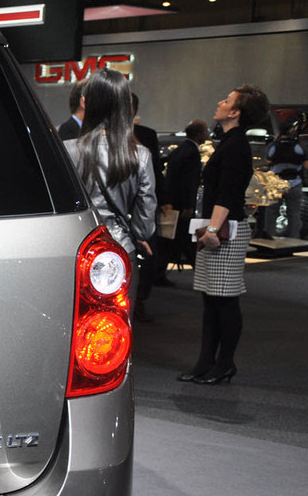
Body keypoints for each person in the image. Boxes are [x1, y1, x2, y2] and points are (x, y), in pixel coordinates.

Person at [178, 84, 270, 385]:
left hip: (225, 230)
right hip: (217, 228)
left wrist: (213, 230)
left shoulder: (236, 145)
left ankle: (224, 363)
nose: (220, 102)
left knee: (224, 300)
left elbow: (228, 195)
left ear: (235, 112)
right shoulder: (229, 142)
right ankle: (206, 362)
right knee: (212, 300)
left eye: (227, 100)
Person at [63, 68, 156, 299]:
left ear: (86, 102)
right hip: (120, 250)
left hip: (77, 251)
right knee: (119, 319)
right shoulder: (140, 155)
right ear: (125, 106)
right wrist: (136, 234)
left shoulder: (66, 150)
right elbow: (145, 226)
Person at [159, 119, 210, 272]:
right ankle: (199, 268)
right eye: (205, 131)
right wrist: (188, 205)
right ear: (199, 134)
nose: (207, 135)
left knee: (171, 238)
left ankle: (161, 271)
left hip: (173, 201)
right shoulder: (192, 153)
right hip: (182, 203)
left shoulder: (179, 150)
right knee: (185, 237)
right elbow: (189, 182)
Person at [131, 93, 165, 321]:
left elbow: (156, 171)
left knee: (147, 256)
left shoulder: (147, 135)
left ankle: (140, 300)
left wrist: (162, 199)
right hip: (122, 206)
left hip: (143, 204)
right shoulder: (104, 135)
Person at [254, 114, 308, 239]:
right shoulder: (299, 146)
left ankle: (268, 237)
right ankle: (294, 239)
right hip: (294, 182)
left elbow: (268, 161)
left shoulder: (274, 146)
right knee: (294, 213)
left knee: (271, 213)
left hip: (275, 184)